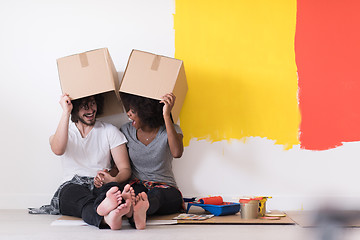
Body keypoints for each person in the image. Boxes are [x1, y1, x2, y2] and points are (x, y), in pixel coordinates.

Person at [29, 93, 134, 230]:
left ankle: (111, 215)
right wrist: (66, 112)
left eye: (92, 103)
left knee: (112, 190)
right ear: (75, 109)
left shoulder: (109, 131)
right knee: (78, 199)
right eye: (85, 106)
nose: (91, 110)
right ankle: (107, 215)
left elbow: (125, 169)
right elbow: (58, 150)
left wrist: (112, 179)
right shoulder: (64, 132)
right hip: (72, 185)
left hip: (101, 184)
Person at [119, 92, 185, 229]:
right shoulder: (126, 130)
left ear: (146, 112)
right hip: (137, 185)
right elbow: (120, 165)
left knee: (156, 195)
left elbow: (177, 153)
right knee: (134, 194)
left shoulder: (170, 130)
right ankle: (137, 212)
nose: (128, 114)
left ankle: (138, 209)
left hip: (165, 187)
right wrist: (108, 176)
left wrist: (166, 115)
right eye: (128, 110)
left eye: (133, 111)